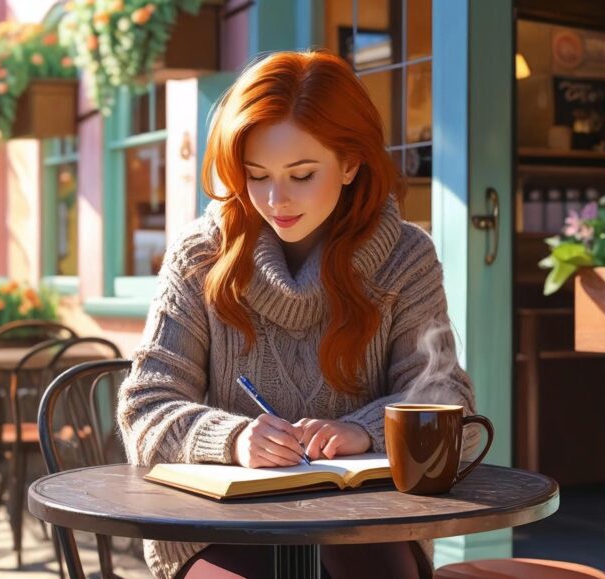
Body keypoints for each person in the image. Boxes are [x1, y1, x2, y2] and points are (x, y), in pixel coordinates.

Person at [117, 50, 478, 579]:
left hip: (367, 527)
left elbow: (451, 409)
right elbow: (144, 408)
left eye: (302, 174)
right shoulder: (200, 253)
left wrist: (362, 431)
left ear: (351, 163)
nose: (274, 198)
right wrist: (236, 440)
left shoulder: (406, 257)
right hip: (221, 528)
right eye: (256, 174)